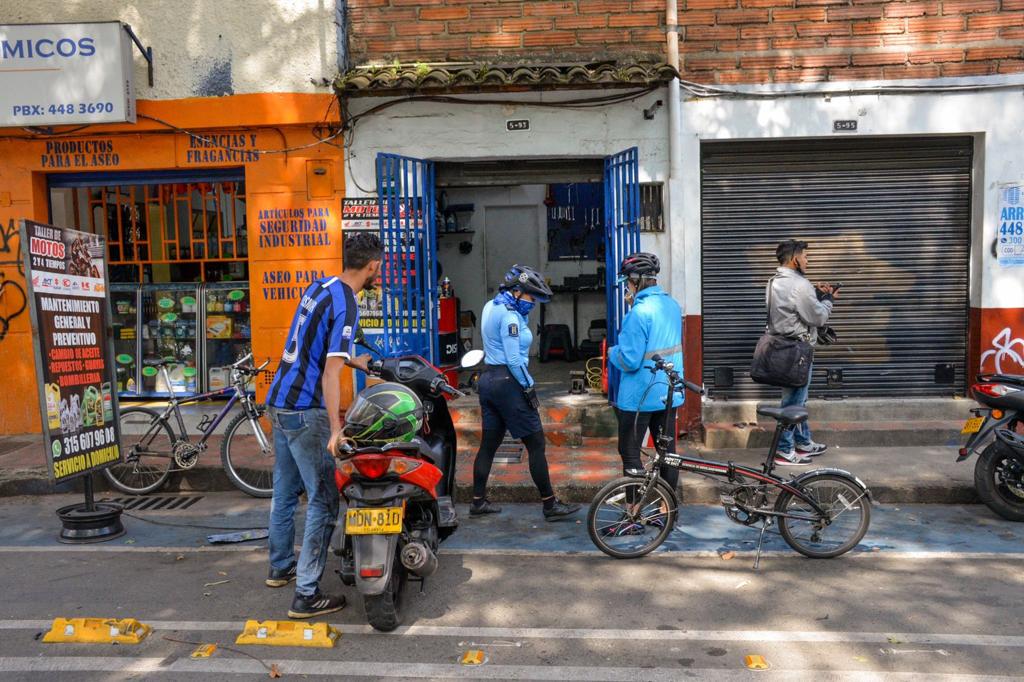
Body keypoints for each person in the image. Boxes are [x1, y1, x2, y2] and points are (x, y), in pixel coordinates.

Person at [264, 232, 383, 619]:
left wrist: (356, 360)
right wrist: (336, 427)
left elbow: (319, 345)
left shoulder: (322, 286)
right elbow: (330, 373)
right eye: (378, 268)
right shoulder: (348, 303)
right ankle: (306, 594)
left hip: (278, 402)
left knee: (284, 490)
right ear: (372, 266)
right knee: (324, 499)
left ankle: (280, 567)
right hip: (304, 409)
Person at [470, 264, 580, 520]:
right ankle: (550, 505)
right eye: (532, 298)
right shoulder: (510, 317)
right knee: (536, 444)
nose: (534, 303)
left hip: (488, 379)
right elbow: (514, 359)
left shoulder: (490, 306)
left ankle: (477, 502)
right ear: (517, 292)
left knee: (488, 445)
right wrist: (529, 386)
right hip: (509, 383)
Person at [607, 253, 684, 493]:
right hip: (668, 392)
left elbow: (629, 360)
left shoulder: (638, 314)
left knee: (630, 453)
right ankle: (667, 509)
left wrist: (612, 352)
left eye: (628, 283)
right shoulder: (672, 305)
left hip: (639, 396)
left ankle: (633, 512)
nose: (627, 288)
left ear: (636, 281)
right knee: (667, 453)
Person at [768, 239, 836, 466]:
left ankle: (802, 441)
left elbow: (792, 310)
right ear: (794, 259)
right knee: (794, 400)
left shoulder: (773, 281)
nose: (807, 261)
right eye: (805, 257)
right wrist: (827, 300)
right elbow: (816, 317)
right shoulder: (799, 284)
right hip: (798, 351)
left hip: (783, 348)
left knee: (798, 398)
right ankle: (784, 450)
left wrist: (813, 295)